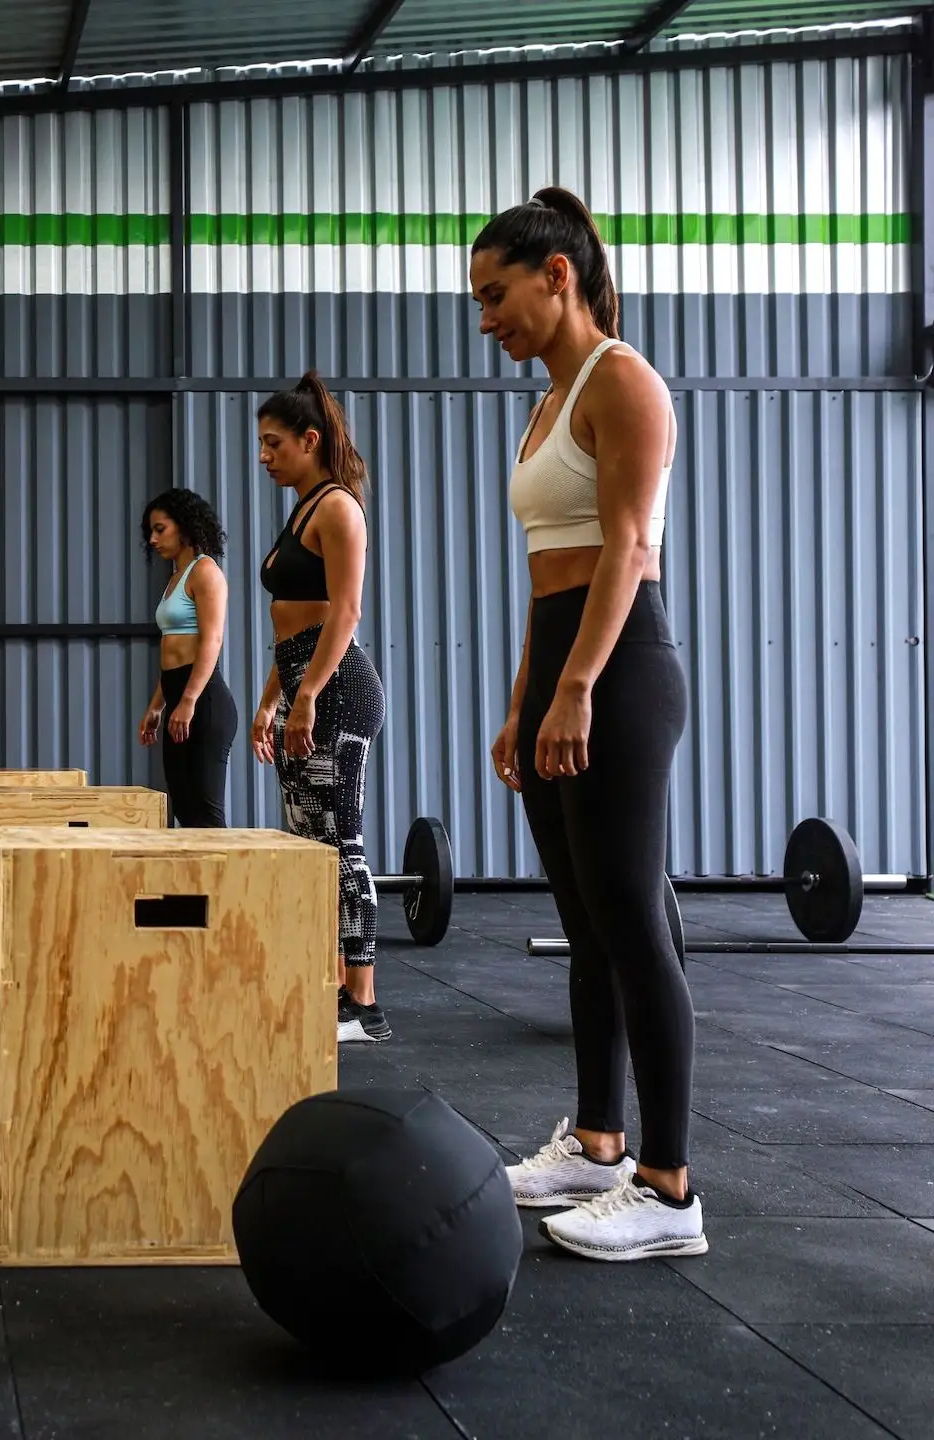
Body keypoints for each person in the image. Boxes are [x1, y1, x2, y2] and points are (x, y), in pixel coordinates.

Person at [472, 186, 705, 1261]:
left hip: (622, 670)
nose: (487, 320)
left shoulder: (626, 384)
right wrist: (526, 698)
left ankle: (668, 1188)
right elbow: (543, 574)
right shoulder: (546, 401)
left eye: (496, 294)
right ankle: (599, 1142)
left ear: (556, 276)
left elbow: (626, 552)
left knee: (632, 919)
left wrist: (575, 690)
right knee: (585, 918)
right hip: (565, 667)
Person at [248, 374, 389, 1044]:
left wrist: (303, 697)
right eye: (260, 444)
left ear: (310, 440)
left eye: (274, 443)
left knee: (340, 841)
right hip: (305, 686)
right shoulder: (301, 509)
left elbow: (345, 613)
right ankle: (330, 980)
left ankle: (363, 1000)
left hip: (339, 692)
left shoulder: (338, 509)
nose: (264, 455)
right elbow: (290, 626)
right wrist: (270, 700)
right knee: (309, 844)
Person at [139, 488, 237, 827]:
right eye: (149, 531)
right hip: (179, 697)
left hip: (204, 702)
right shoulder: (174, 580)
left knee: (206, 816)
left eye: (160, 529)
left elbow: (212, 640)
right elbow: (173, 653)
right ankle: (198, 882)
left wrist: (189, 700)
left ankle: (225, 881)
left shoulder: (205, 572)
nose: (152, 539)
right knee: (184, 810)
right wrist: (157, 704)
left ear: (184, 526)